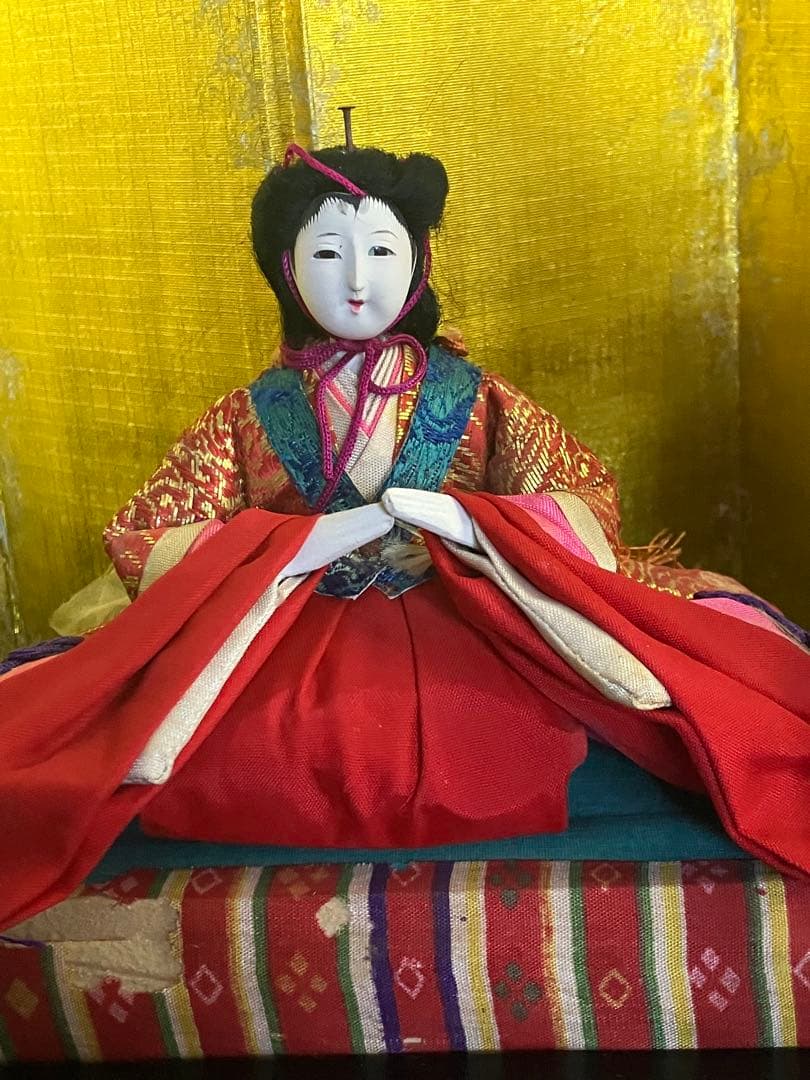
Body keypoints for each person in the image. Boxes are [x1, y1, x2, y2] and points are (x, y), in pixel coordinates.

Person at [0, 143, 808, 932]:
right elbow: (151, 533)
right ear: (286, 268)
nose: (357, 280)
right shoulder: (252, 412)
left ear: (417, 260)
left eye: (382, 250)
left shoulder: (474, 396)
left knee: (547, 723)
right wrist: (298, 545)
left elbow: (583, 498)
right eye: (327, 253)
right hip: (293, 617)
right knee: (227, 744)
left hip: (459, 603)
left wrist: (470, 525)